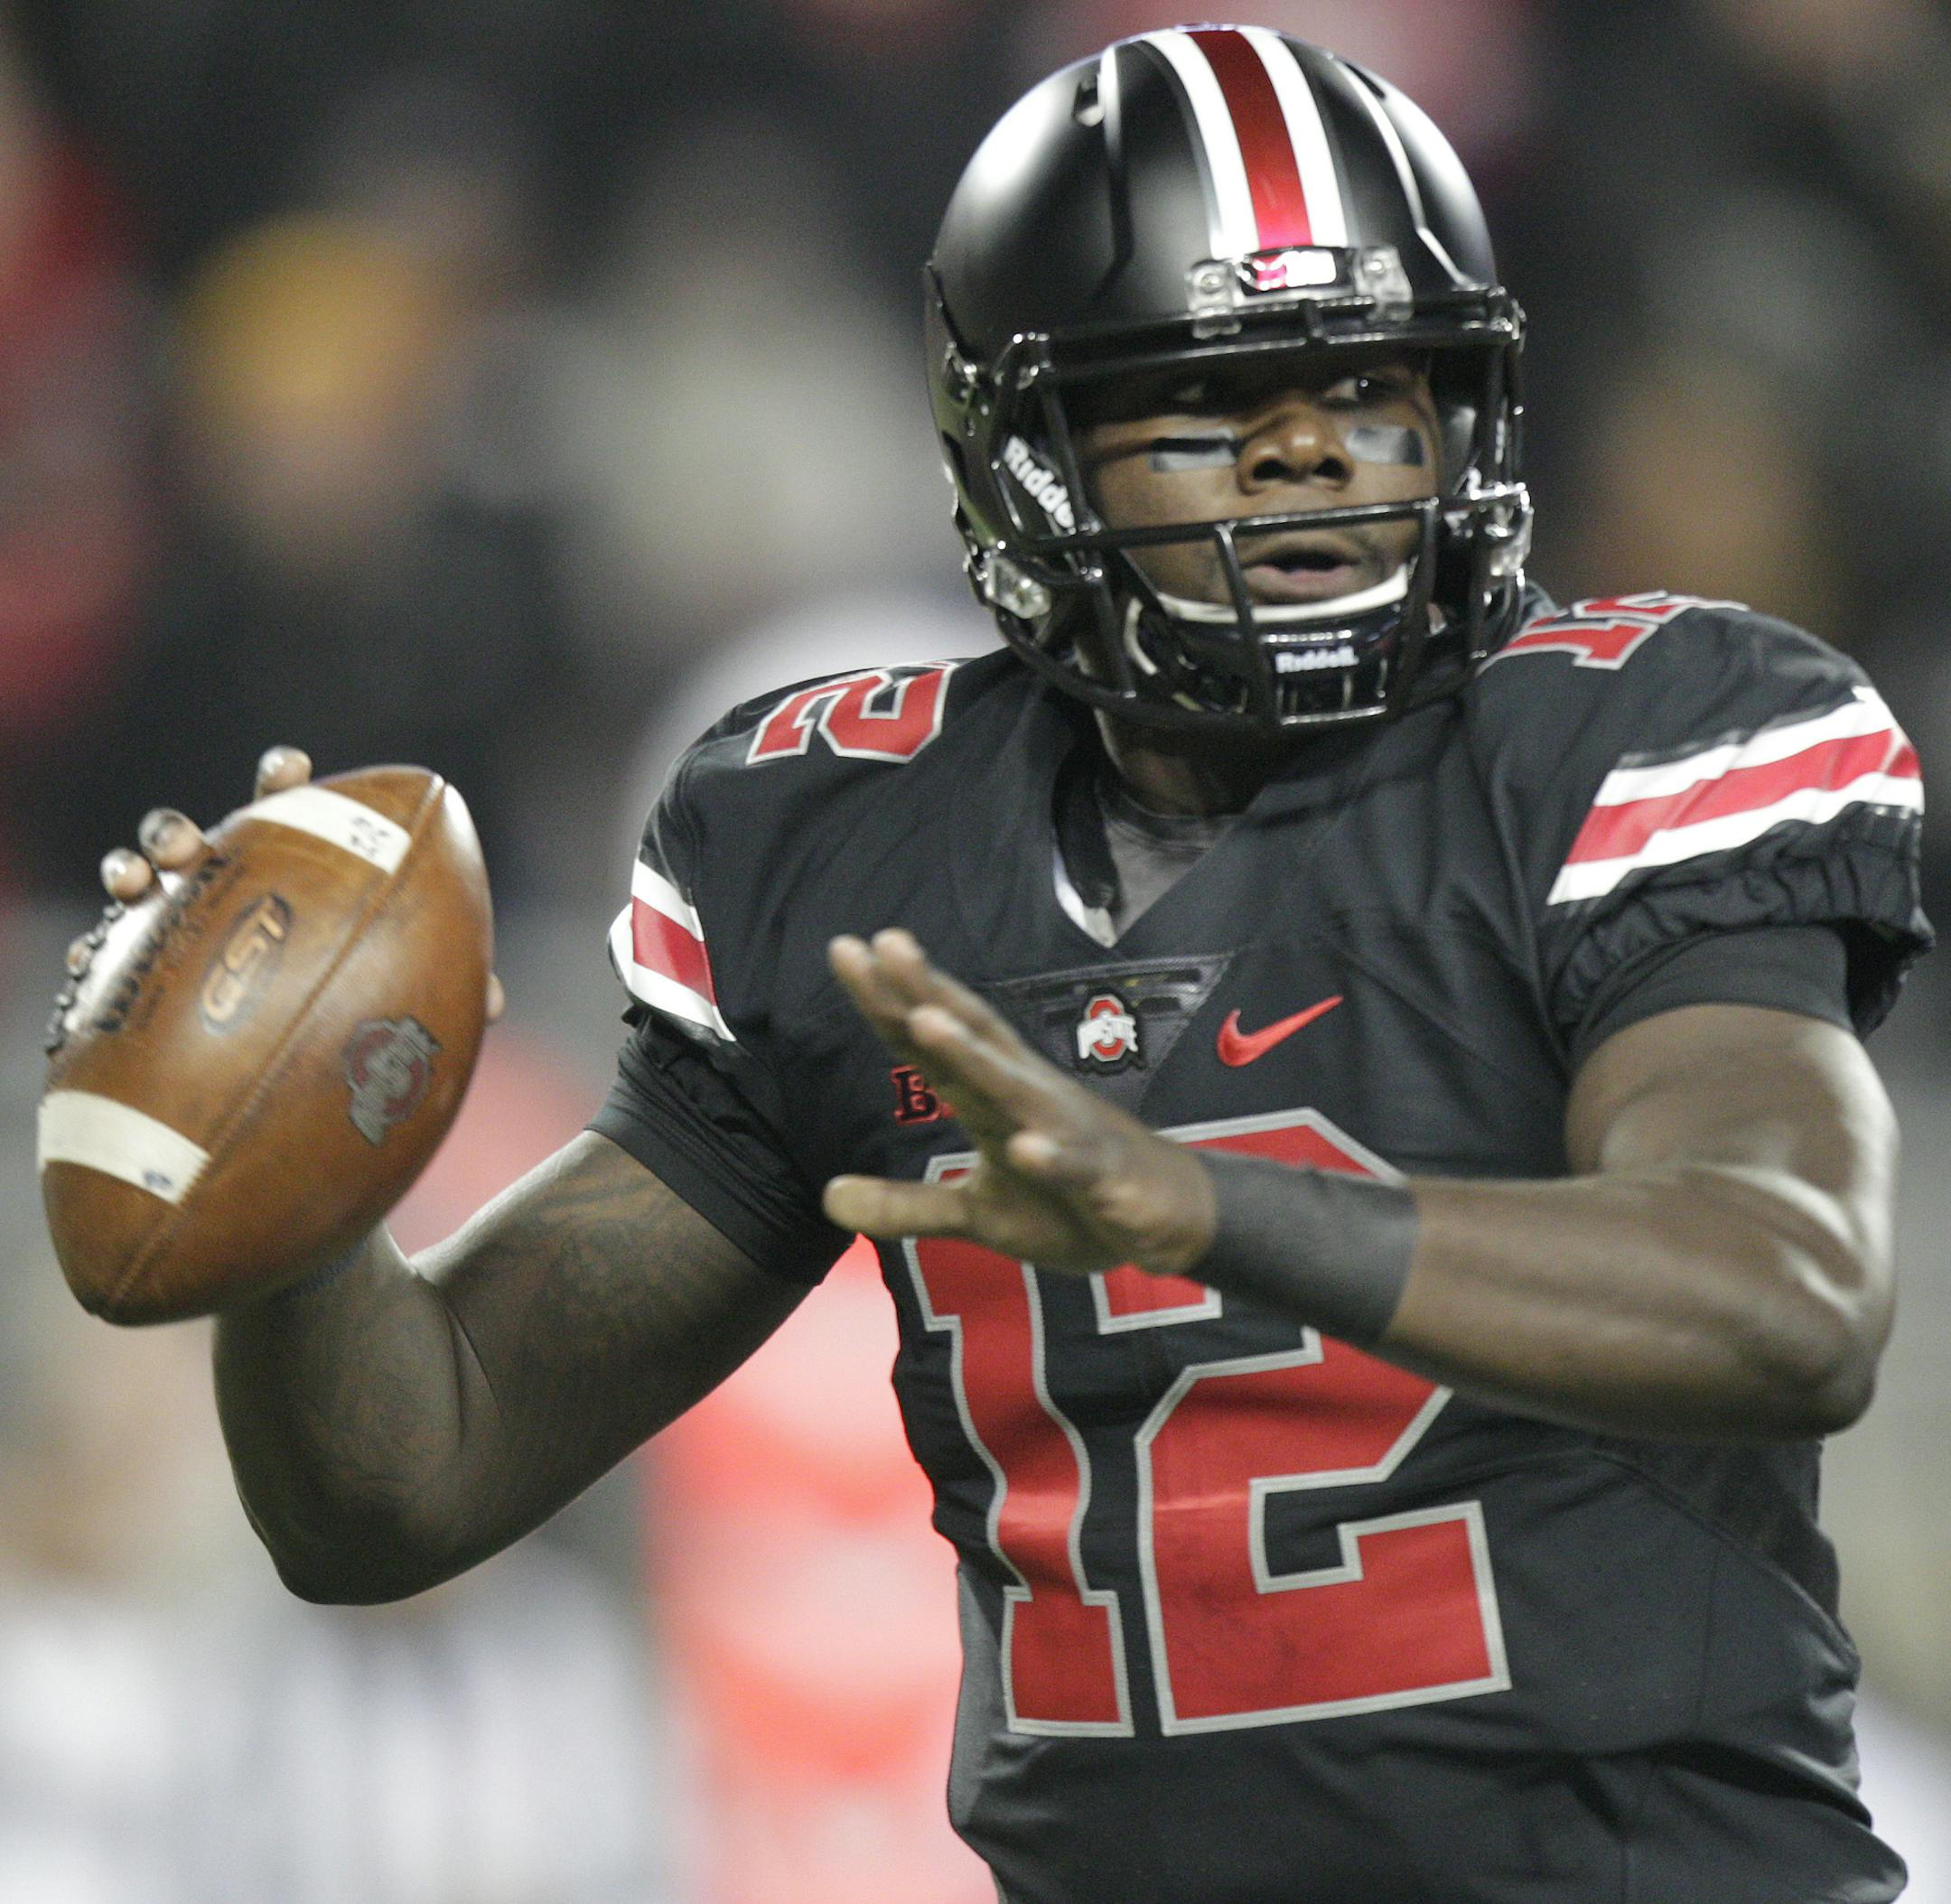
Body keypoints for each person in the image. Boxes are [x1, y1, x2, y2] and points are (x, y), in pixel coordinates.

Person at [84, 27, 1929, 1903]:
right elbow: (411, 1480)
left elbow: (1790, 1288)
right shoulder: (843, 842)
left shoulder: (1634, 740)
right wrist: (294, 1170)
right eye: (1216, 403)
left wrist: (1210, 1206)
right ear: (1027, 457)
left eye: (1376, 394)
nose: (1313, 459)